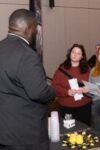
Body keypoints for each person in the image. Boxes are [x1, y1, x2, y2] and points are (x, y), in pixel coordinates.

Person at [0, 9, 55, 150]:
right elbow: (38, 93)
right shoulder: (27, 55)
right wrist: (52, 91)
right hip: (26, 134)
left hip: (4, 130)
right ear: (30, 28)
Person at [52, 44, 92, 126]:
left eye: (78, 53)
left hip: (84, 107)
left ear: (82, 57)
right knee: (68, 131)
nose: (75, 55)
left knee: (84, 130)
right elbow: (54, 86)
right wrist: (67, 92)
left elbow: (93, 86)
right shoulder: (61, 69)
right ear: (70, 53)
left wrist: (87, 88)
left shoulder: (87, 70)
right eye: (73, 52)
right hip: (66, 107)